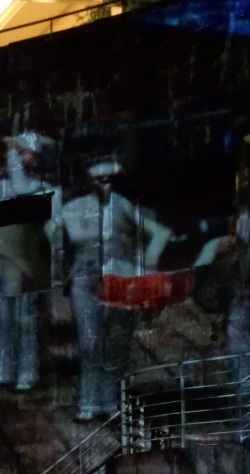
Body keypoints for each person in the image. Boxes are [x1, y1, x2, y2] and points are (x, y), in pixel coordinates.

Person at [58, 160, 172, 421]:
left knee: (117, 342)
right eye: (99, 180)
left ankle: (111, 401)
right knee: (89, 342)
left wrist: (147, 264)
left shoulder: (124, 205)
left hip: (120, 279)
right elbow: (67, 238)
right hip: (85, 279)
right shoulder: (73, 208)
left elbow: (160, 233)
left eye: (110, 179)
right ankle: (88, 401)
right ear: (89, 181)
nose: (104, 185)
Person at [0, 132, 59, 394]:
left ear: (38, 159)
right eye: (17, 152)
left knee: (26, 320)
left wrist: (10, 153)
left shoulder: (45, 188)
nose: (18, 157)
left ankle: (28, 372)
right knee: (0, 320)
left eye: (24, 152)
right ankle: (3, 369)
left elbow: (22, 193)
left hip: (27, 261)